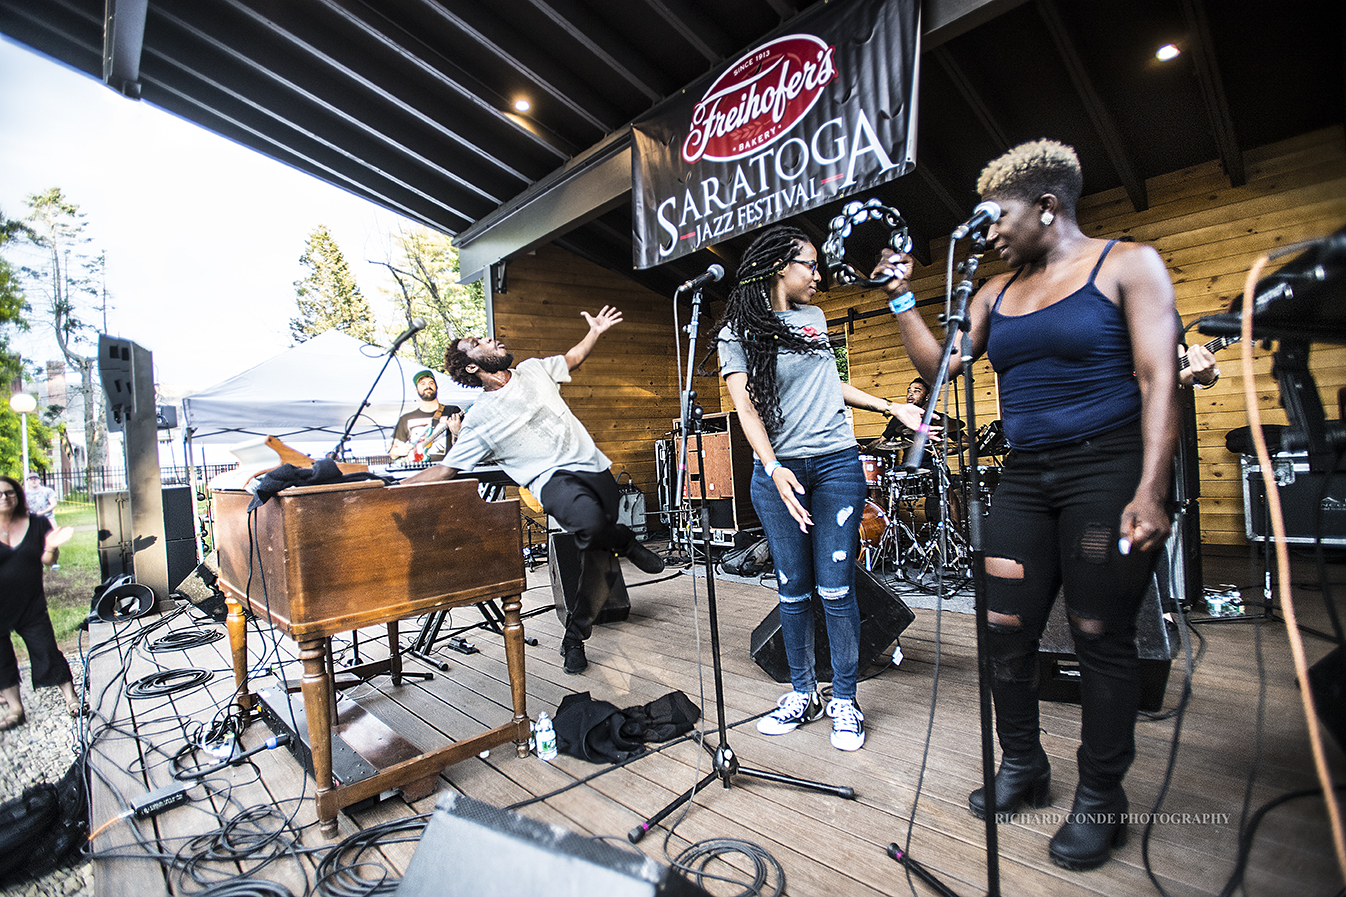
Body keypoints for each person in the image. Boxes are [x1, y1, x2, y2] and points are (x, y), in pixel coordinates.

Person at [875, 139, 1180, 869]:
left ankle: (1102, 794)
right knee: (1003, 627)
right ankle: (1023, 763)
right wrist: (899, 296)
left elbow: (1158, 375)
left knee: (1098, 634)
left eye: (997, 218)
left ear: (1047, 205)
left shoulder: (1127, 264)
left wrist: (1152, 486)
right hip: (1025, 474)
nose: (988, 234)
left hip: (1108, 469)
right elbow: (944, 367)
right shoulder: (992, 293)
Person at [717, 223, 926, 752]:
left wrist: (889, 406)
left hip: (835, 466)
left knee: (836, 587)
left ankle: (845, 700)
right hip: (778, 473)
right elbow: (744, 404)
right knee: (792, 590)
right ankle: (802, 693)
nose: (818, 274)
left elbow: (826, 381)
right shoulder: (736, 332)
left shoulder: (813, 318)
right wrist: (772, 466)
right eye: (809, 264)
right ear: (778, 267)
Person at [403, 307, 665, 675]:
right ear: (473, 368)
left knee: (601, 561)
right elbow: (447, 468)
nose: (490, 339)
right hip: (551, 481)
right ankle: (623, 538)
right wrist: (393, 486)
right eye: (478, 343)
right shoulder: (479, 416)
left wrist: (595, 332)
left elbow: (572, 359)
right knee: (590, 525)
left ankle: (575, 635)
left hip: (593, 466)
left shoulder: (532, 369)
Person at [0, 474, 81, 729]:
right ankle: (15, 709)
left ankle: (71, 698)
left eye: (9, 492)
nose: (4, 497)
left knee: (45, 648)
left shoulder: (37, 524)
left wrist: (50, 546)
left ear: (18, 495)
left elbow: (47, 560)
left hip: (30, 603)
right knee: (0, 657)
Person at [389, 369, 462, 464]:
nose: (427, 386)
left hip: (446, 468)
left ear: (436, 387)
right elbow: (392, 452)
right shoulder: (406, 419)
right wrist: (397, 451)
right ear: (416, 389)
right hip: (418, 470)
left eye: (431, 383)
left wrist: (457, 432)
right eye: (422, 384)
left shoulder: (452, 411)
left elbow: (466, 442)